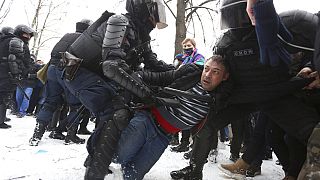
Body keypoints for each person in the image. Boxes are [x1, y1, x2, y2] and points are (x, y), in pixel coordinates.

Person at [170, 0, 320, 179]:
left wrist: (310, 69)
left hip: (276, 95)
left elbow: (313, 45)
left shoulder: (279, 27)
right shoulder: (225, 43)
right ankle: (194, 171)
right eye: (229, 16)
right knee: (207, 127)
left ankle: (294, 173)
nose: (233, 22)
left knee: (311, 133)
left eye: (235, 15)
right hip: (243, 97)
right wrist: (220, 96)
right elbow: (220, 71)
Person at [59, 0, 174, 179]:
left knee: (124, 106)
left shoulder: (141, 35)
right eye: (154, 12)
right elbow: (111, 66)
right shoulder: (119, 21)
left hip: (98, 77)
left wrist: (184, 71)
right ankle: (94, 173)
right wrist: (145, 93)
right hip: (79, 72)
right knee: (116, 111)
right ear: (143, 7)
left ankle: (93, 159)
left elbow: (153, 63)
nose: (155, 20)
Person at [109, 55, 228, 180]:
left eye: (215, 72)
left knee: (131, 175)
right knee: (118, 156)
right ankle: (97, 147)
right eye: (206, 69)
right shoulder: (191, 73)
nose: (207, 75)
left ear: (225, 77)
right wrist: (137, 75)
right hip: (148, 120)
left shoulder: (221, 100)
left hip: (163, 137)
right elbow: (164, 77)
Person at [29, 19, 93, 146]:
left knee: (50, 102)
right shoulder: (86, 39)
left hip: (52, 69)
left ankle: (37, 134)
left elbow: (53, 53)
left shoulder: (66, 36)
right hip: (69, 71)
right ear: (88, 28)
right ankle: (71, 135)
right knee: (77, 105)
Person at [171, 37, 206, 152]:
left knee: (191, 117)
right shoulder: (184, 59)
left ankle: (193, 145)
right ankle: (183, 142)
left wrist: (186, 67)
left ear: (194, 46)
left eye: (189, 46)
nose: (187, 48)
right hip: (184, 90)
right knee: (182, 116)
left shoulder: (198, 56)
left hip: (194, 91)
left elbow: (201, 64)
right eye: (185, 46)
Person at [0, 24, 35, 129]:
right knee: (4, 97)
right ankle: (0, 121)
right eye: (26, 34)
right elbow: (14, 60)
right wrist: (18, 74)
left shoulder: (3, 40)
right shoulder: (16, 41)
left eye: (29, 35)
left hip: (4, 72)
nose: (28, 37)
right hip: (7, 74)